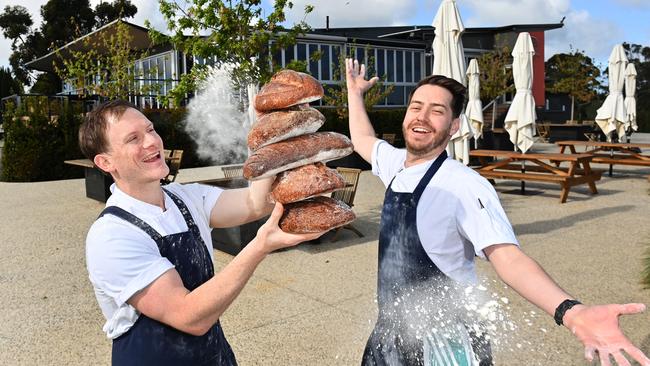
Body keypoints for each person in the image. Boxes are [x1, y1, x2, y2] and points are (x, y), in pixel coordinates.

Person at [345, 58, 650, 366]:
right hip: (391, 333)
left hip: (446, 341)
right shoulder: (395, 165)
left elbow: (508, 258)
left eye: (437, 111)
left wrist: (571, 311)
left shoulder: (464, 184)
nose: (422, 117)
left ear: (454, 126)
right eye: (416, 106)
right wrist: (355, 93)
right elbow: (362, 139)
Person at [80, 100, 324, 365]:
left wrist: (271, 137)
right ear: (105, 162)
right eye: (133, 139)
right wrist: (259, 246)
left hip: (212, 356)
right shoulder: (112, 235)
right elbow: (189, 316)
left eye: (150, 130)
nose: (151, 142)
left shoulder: (185, 198)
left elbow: (254, 203)